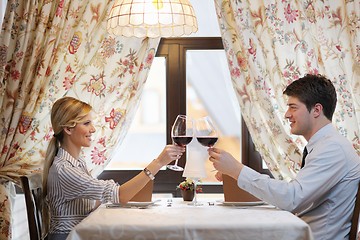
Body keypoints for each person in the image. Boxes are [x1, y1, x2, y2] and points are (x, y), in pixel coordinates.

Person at [208, 74, 360, 240]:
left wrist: (237, 170)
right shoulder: (324, 145)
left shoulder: (333, 149)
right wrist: (234, 175)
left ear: (316, 110)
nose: (287, 114)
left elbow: (291, 198)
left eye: (293, 107)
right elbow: (295, 196)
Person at [42, 96, 185, 240]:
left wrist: (122, 195)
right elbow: (120, 196)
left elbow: (99, 197)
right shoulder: (65, 170)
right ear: (68, 129)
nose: (93, 129)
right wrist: (159, 162)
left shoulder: (77, 162)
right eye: (86, 123)